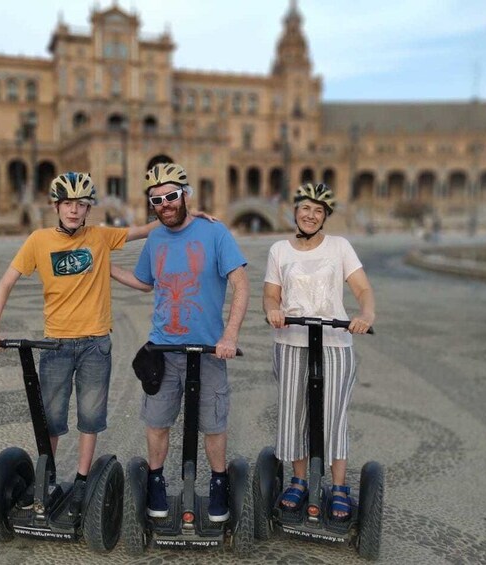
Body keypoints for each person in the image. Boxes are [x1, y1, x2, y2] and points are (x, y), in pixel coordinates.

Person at [0, 172, 204, 517]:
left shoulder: (100, 237)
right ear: (56, 206)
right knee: (50, 419)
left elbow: (147, 229)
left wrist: (190, 216)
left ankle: (83, 481)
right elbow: (6, 283)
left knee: (90, 416)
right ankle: (48, 480)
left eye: (81, 205)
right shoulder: (38, 241)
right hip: (55, 344)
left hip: (96, 344)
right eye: (67, 204)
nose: (73, 211)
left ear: (88, 209)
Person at [111, 163, 249, 522]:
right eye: (157, 199)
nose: (165, 203)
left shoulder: (214, 233)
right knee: (156, 421)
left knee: (214, 423)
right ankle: (156, 479)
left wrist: (229, 335)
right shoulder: (155, 236)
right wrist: (107, 269)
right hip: (162, 350)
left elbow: (241, 284)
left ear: (186, 195)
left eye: (171, 196)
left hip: (208, 351)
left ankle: (218, 481)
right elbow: (145, 282)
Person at [262, 182, 375, 521]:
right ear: (295, 210)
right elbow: (270, 294)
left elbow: (362, 288)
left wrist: (365, 315)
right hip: (291, 342)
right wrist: (273, 310)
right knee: (294, 413)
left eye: (318, 211)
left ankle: (338, 485)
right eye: (305, 208)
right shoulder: (279, 250)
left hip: (335, 343)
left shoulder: (340, 247)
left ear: (325, 216)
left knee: (333, 414)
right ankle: (298, 478)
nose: (311, 215)